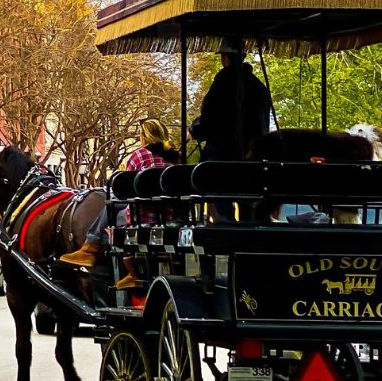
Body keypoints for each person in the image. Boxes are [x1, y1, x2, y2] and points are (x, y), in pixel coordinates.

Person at [61, 119, 175, 288]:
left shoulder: (140, 155)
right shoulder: (174, 157)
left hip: (142, 214)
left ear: (144, 137)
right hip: (169, 215)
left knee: (112, 207)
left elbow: (124, 187)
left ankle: (91, 247)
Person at [191, 37, 274, 221]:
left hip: (222, 158)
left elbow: (210, 122)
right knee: (248, 210)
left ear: (224, 57)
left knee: (220, 207)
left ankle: (223, 236)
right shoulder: (259, 87)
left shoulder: (222, 83)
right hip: (253, 159)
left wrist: (195, 130)